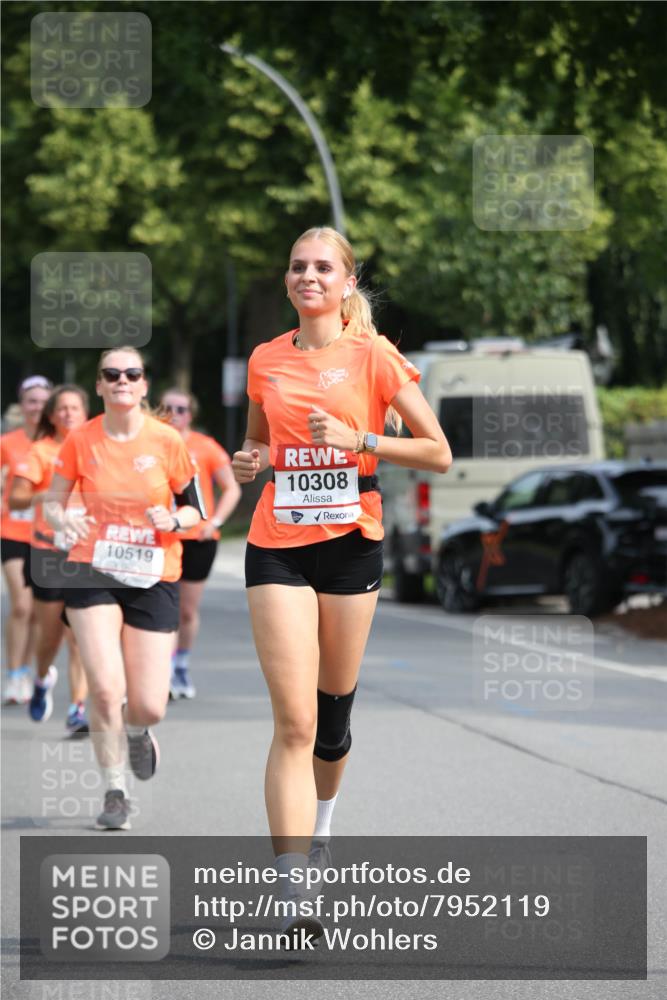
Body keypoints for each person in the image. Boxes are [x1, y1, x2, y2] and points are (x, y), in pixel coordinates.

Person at [232, 226, 452, 942]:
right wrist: (249, 463)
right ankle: (296, 891)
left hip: (352, 545)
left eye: (323, 267)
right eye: (298, 266)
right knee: (292, 722)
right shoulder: (265, 358)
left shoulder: (374, 356)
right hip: (278, 545)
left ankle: (322, 824)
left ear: (346, 282)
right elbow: (258, 443)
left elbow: (437, 453)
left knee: (330, 724)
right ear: (287, 280)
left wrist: (359, 440)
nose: (308, 276)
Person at [44, 347, 205, 831]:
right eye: (111, 374)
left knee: (150, 703)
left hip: (154, 573)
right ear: (99, 386)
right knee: (106, 687)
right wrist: (63, 519)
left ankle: (138, 731)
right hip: (92, 568)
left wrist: (174, 518)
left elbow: (195, 510)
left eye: (131, 373)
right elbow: (52, 503)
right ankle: (115, 791)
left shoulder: (167, 441)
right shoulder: (80, 439)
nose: (121, 380)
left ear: (142, 385)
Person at [9, 384, 90, 733]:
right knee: (50, 636)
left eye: (75, 408)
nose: (69, 414)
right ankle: (41, 677)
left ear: (86, 412)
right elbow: (16, 500)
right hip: (46, 552)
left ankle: (78, 709)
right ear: (52, 416)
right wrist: (49, 494)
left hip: (85, 552)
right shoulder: (40, 451)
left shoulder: (97, 449)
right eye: (63, 409)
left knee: (80, 637)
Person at [160, 388, 241, 699]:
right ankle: (161, 669)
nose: (173, 413)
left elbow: (231, 488)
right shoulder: (152, 441)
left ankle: (180, 665)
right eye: (167, 407)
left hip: (197, 538)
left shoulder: (205, 447)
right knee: (163, 605)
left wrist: (215, 522)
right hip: (161, 536)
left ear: (190, 414)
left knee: (186, 610)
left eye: (180, 408)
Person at [1, 376, 52, 704]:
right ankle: (14, 673)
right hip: (12, 532)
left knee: (36, 610)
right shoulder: (8, 442)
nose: (37, 407)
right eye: (31, 401)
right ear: (22, 405)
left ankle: (31, 672)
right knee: (21, 605)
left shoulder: (58, 443)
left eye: (43, 401)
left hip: (45, 535)